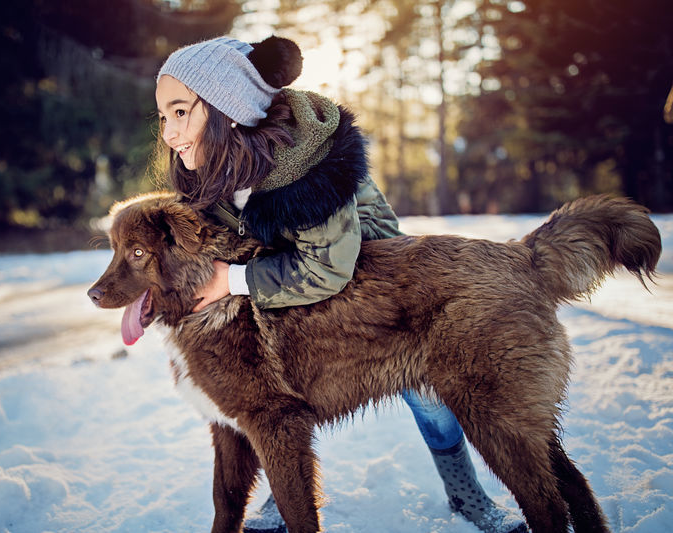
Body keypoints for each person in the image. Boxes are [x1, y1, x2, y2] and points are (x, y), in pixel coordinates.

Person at [154, 35, 527, 533]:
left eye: (180, 112)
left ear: (228, 106)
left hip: (367, 288)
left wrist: (238, 278)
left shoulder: (304, 166)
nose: (169, 133)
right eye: (162, 117)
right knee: (283, 390)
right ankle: (286, 494)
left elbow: (329, 268)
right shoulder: (205, 164)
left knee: (430, 395)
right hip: (275, 286)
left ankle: (467, 495)